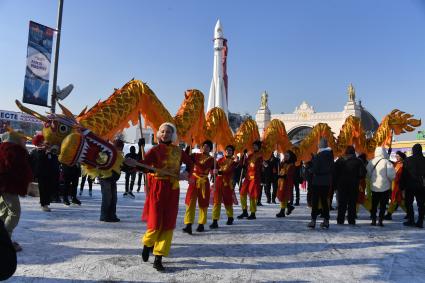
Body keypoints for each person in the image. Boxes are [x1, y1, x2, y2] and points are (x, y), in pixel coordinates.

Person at [137, 122, 193, 271]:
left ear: (172, 135)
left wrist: (186, 173)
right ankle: (148, 243)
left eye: (168, 132)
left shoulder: (178, 151)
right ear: (158, 134)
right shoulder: (154, 150)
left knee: (168, 224)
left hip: (173, 189)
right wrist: (138, 151)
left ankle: (158, 257)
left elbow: (190, 163)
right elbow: (142, 165)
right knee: (155, 221)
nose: (165, 134)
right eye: (162, 131)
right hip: (158, 188)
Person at [0, 131, 33, 252]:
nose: (24, 141)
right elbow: (17, 170)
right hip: (8, 187)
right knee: (14, 213)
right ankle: (4, 241)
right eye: (23, 139)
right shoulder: (14, 151)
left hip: (4, 186)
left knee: (3, 213)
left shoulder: (3, 148)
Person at [182, 140, 215, 234]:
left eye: (208, 147)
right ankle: (188, 224)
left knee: (203, 204)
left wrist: (216, 171)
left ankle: (201, 224)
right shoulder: (195, 156)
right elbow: (186, 158)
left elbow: (215, 170)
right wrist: (189, 146)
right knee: (190, 202)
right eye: (204, 146)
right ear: (201, 147)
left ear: (210, 149)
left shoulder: (212, 160)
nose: (205, 148)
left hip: (204, 182)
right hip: (194, 181)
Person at [334, 146, 366, 225]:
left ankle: (340, 220)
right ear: (354, 152)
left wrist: (336, 183)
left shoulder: (340, 161)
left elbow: (334, 172)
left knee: (342, 204)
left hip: (341, 185)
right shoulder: (358, 161)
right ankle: (351, 220)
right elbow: (363, 173)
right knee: (352, 204)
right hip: (354, 185)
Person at [307, 137, 334, 229]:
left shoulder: (319, 156)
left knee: (315, 201)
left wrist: (310, 169)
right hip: (326, 182)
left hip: (317, 181)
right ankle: (326, 220)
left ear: (320, 146)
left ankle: (313, 220)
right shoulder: (330, 156)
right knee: (324, 201)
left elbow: (315, 169)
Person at [366, 147, 396, 226]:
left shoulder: (371, 161)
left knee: (374, 204)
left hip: (374, 186)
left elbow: (368, 174)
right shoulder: (386, 162)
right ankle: (380, 220)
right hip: (385, 187)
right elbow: (391, 175)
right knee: (383, 205)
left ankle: (373, 219)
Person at [210, 145, 238, 228]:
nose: (228, 151)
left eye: (230, 150)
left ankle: (230, 217)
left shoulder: (233, 162)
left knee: (228, 201)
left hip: (227, 184)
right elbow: (213, 169)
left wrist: (220, 172)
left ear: (232, 152)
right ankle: (215, 220)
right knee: (216, 201)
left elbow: (229, 170)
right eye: (227, 150)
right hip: (218, 183)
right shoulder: (220, 160)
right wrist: (213, 169)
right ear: (225, 151)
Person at [99, 139, 124, 223]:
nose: (119, 150)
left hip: (113, 179)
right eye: (118, 148)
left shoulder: (119, 156)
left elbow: (122, 166)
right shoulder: (108, 152)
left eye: (121, 148)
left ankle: (112, 214)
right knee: (107, 197)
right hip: (105, 178)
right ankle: (104, 215)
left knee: (114, 198)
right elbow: (101, 162)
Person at [237, 140, 263, 220]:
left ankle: (253, 213)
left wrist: (250, 164)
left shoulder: (261, 156)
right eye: (254, 145)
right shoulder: (250, 155)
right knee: (242, 193)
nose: (254, 147)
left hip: (255, 178)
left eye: (256, 145)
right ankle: (244, 210)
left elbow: (256, 166)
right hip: (247, 177)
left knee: (253, 195)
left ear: (259, 147)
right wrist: (243, 156)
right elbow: (243, 164)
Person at [401, 144, 425, 228]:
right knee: (421, 204)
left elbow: (403, 174)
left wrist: (402, 186)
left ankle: (411, 219)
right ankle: (420, 221)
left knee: (409, 203)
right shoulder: (424, 160)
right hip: (421, 185)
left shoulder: (408, 160)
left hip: (409, 185)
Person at [384, 151, 407, 220]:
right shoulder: (395, 163)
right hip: (394, 184)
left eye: (398, 156)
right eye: (396, 156)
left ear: (402, 157)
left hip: (400, 184)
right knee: (399, 201)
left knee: (395, 199)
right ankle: (409, 212)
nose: (396, 157)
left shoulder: (404, 164)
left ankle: (389, 214)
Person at [276, 150, 296, 217]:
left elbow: (290, 174)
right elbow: (281, 170)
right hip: (281, 182)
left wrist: (284, 176)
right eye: (285, 155)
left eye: (287, 156)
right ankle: (289, 207)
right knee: (281, 196)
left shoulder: (292, 165)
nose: (286, 157)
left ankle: (282, 211)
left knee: (284, 196)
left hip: (287, 183)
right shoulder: (283, 163)